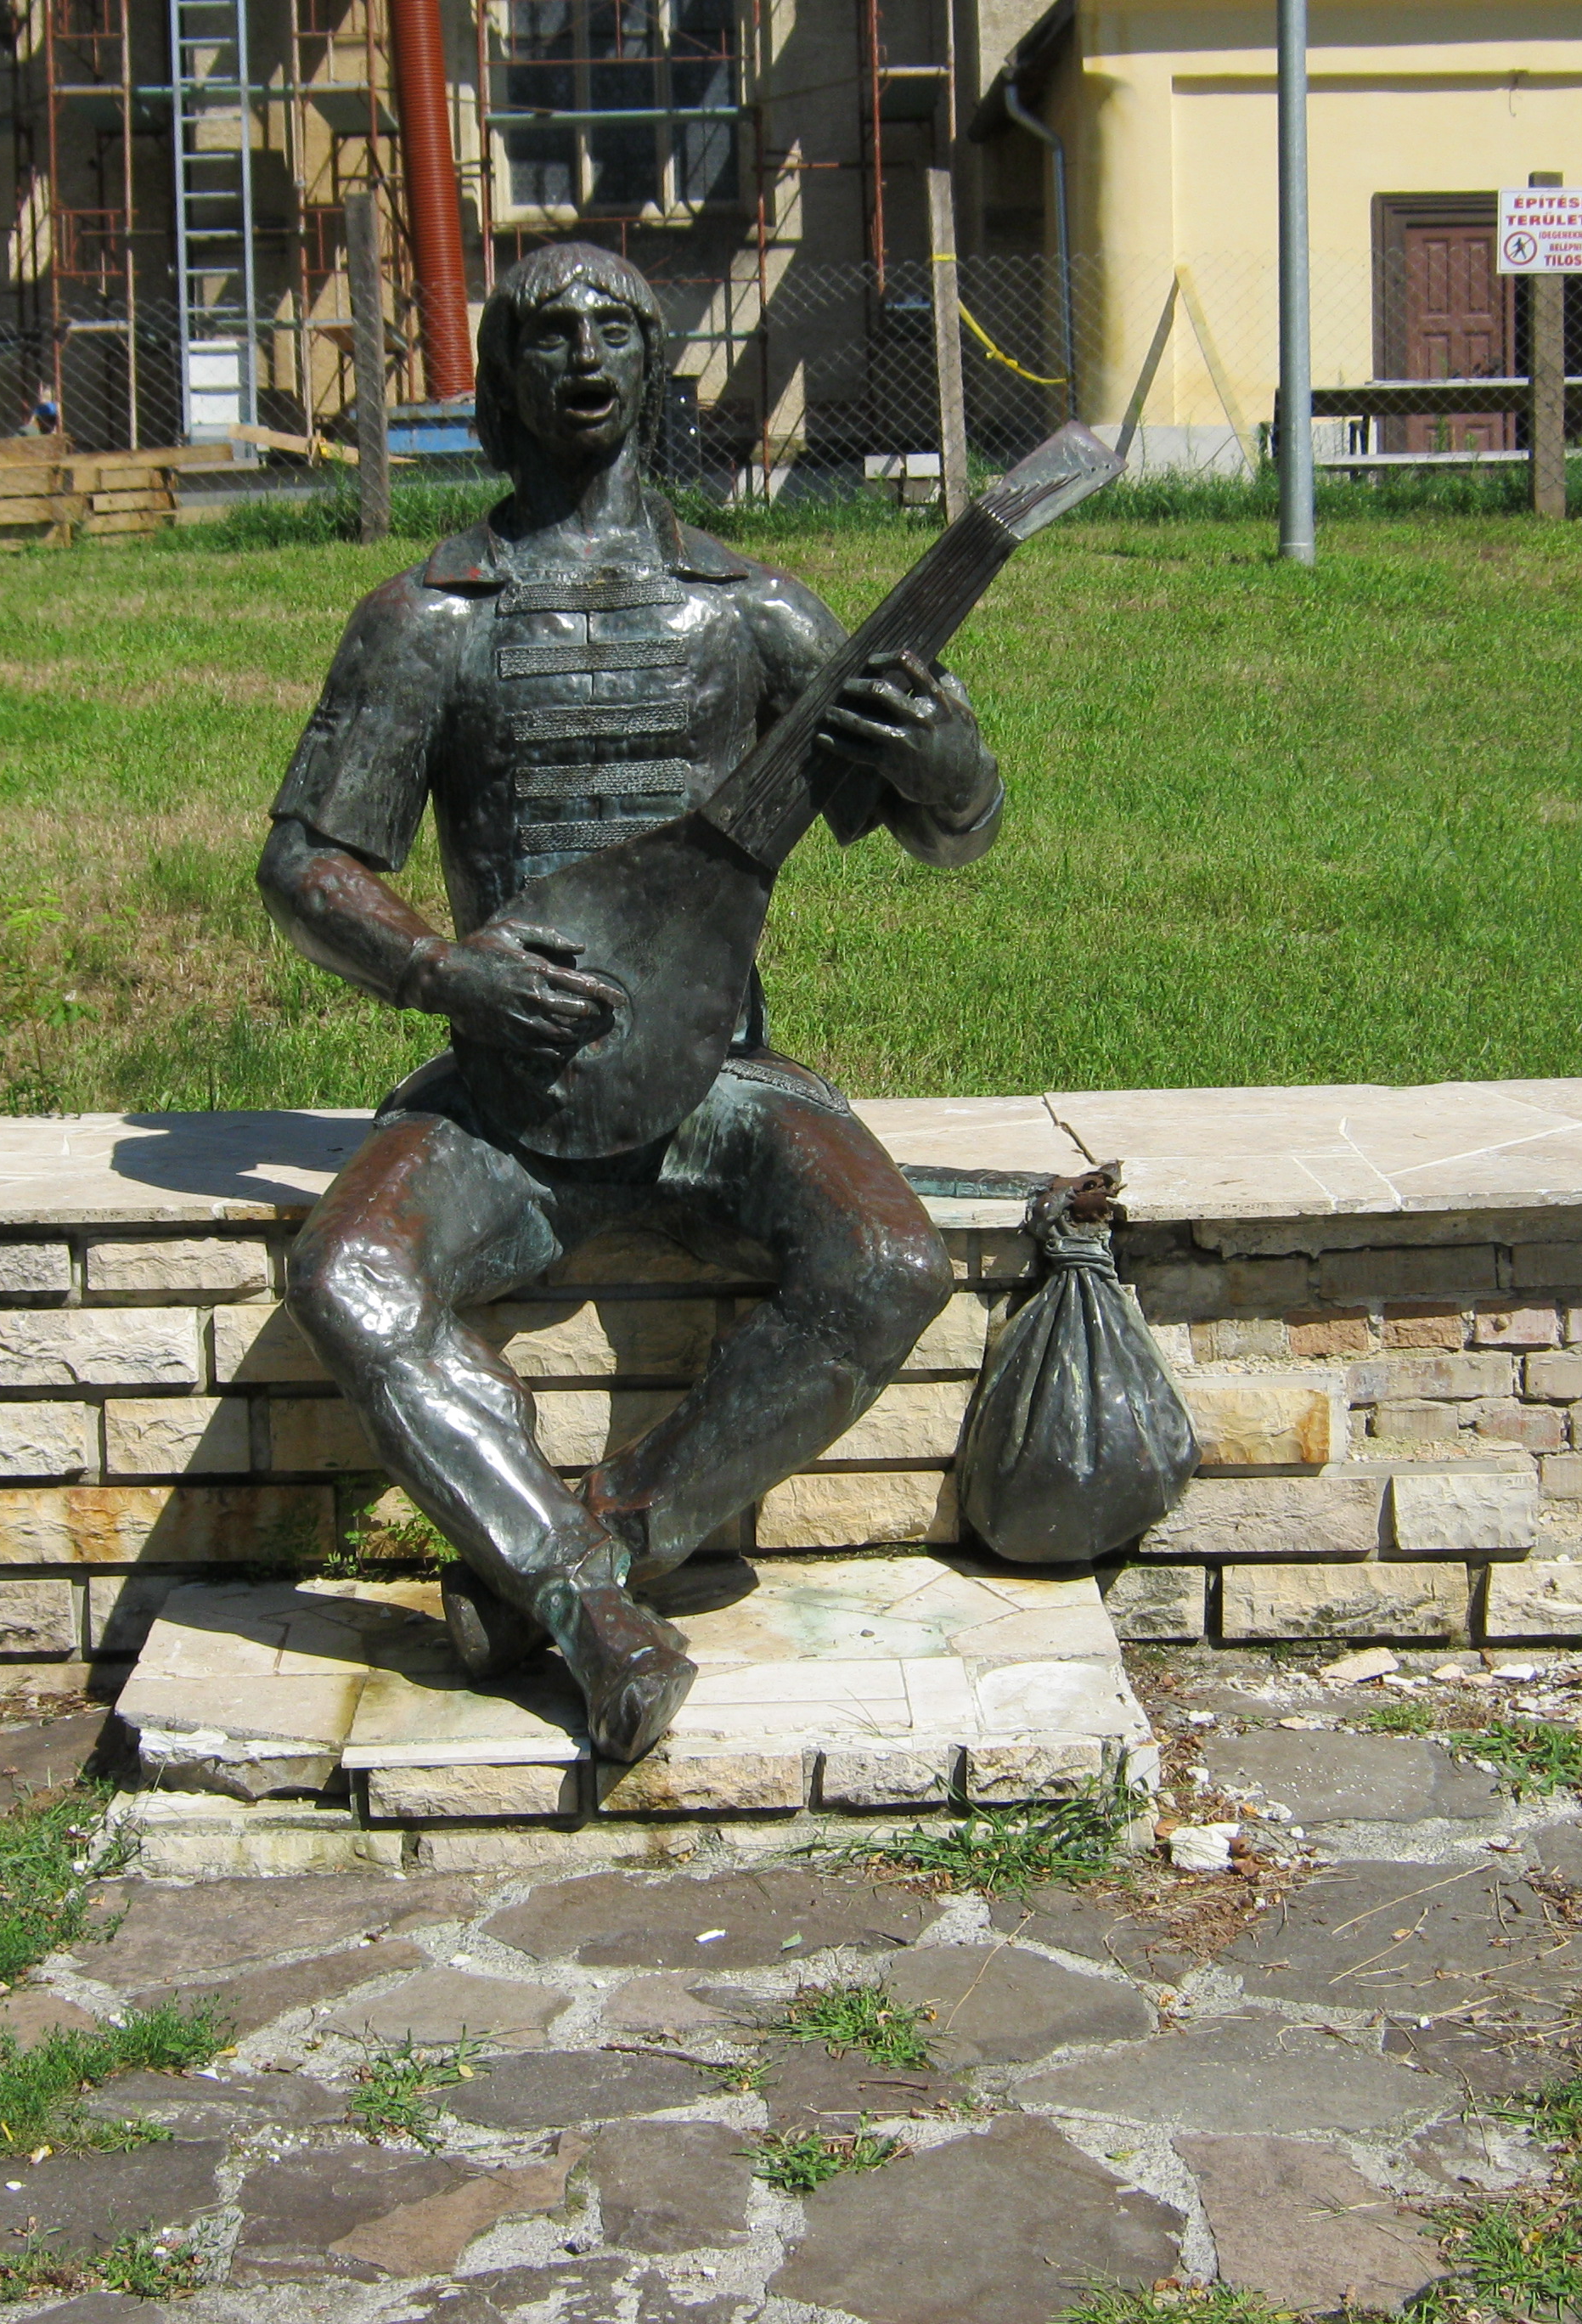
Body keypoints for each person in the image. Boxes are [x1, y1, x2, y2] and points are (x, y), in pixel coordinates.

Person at [256, 242, 1004, 1763]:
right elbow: (306, 862)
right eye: (549, 333)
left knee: (889, 1261)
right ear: (501, 374)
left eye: (615, 329)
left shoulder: (752, 614)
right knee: (347, 1272)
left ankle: (581, 1565)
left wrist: (954, 769)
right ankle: (600, 1617)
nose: (585, 356)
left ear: (656, 366)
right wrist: (439, 971)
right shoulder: (429, 618)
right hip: (507, 1100)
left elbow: (944, 834)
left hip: (718, 1079)